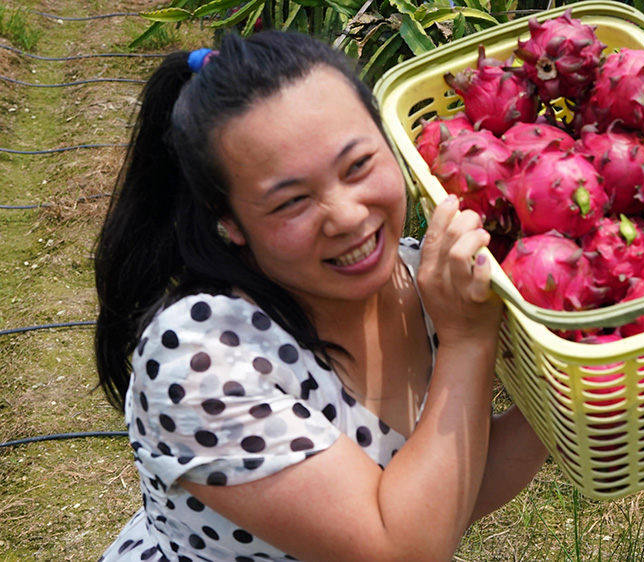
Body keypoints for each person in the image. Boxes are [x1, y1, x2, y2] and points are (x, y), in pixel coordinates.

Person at [95, 30, 548, 562]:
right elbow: (401, 550)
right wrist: (467, 343)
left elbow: (444, 495)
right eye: (291, 202)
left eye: (358, 166)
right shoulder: (201, 358)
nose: (349, 216)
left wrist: (571, 408)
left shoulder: (413, 276)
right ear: (231, 222)